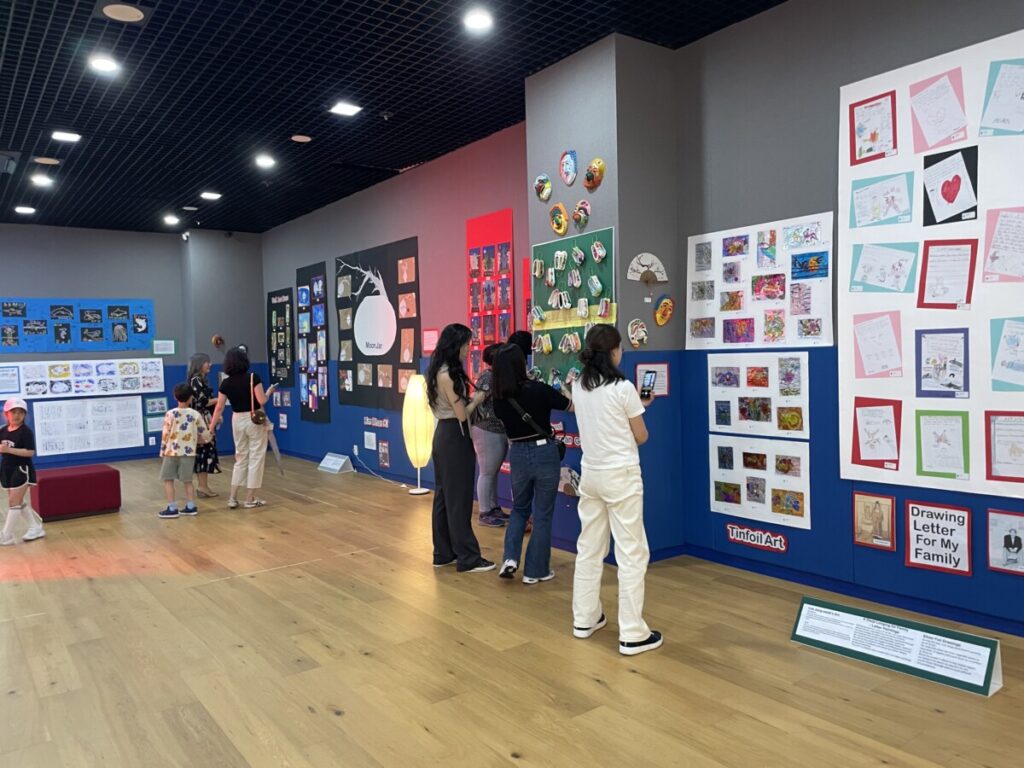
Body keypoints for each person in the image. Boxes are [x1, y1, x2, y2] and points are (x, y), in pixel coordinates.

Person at [570, 324, 662, 656]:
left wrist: (636, 406)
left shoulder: (578, 385)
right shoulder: (623, 388)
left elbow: (603, 419)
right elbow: (641, 436)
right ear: (613, 352)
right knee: (632, 553)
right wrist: (638, 406)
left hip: (591, 474)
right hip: (621, 476)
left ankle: (585, 618)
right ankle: (632, 633)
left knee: (589, 548)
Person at [491, 344, 571, 584]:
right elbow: (570, 405)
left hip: (517, 454)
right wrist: (565, 388)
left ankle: (510, 558)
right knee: (543, 514)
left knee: (519, 509)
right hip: (544, 452)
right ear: (521, 364)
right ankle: (535, 571)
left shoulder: (498, 399)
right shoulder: (539, 389)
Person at [426, 323, 494, 573]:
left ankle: (443, 553)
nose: (468, 349)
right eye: (466, 344)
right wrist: (478, 398)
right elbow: (462, 414)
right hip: (455, 436)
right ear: (455, 345)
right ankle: (468, 557)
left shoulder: (436, 370)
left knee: (444, 496)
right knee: (459, 500)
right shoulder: (449, 375)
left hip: (443, 436)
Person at [209, 346, 276, 509]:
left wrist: (211, 427)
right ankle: (250, 498)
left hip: (237, 419)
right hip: (254, 419)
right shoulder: (253, 377)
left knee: (240, 458)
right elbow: (262, 400)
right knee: (256, 458)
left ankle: (232, 498)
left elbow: (219, 407)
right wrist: (269, 392)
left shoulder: (225, 383)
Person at [158, 383, 212, 518]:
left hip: (171, 452)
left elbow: (165, 434)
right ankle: (190, 506)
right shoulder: (195, 414)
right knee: (188, 480)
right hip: (189, 452)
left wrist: (162, 450)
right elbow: (205, 434)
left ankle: (172, 508)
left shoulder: (170, 414)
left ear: (175, 397)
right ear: (191, 398)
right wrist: (205, 438)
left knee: (168, 479)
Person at [471, 343, 508, 528]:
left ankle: (493, 507)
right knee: (487, 472)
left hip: (497, 428)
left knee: (492, 471)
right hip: (486, 428)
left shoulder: (498, 376)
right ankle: (484, 512)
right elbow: (479, 398)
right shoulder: (488, 376)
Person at [0, 397, 44, 546]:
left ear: (25, 415)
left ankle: (6, 535)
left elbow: (30, 452)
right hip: (7, 469)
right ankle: (35, 528)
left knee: (13, 502)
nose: (17, 415)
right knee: (18, 501)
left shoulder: (25, 432)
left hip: (21, 469)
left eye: (21, 412)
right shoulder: (3, 430)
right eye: (13, 412)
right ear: (6, 413)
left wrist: (8, 450)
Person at [187, 352, 221, 497]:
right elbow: (202, 402)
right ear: (200, 364)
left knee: (204, 452)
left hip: (203, 419)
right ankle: (202, 486)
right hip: (201, 421)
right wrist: (219, 399)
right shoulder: (196, 381)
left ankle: (203, 486)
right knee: (203, 451)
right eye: (207, 362)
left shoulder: (199, 380)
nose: (210, 365)